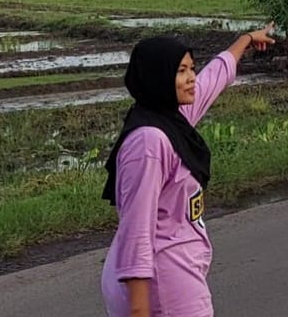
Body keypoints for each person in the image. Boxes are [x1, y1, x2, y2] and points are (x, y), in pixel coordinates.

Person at [101, 25, 277, 317]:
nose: (192, 78)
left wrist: (245, 41)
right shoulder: (150, 142)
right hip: (164, 283)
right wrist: (139, 309)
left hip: (175, 271)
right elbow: (136, 231)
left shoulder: (170, 120)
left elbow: (212, 80)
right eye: (181, 71)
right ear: (158, 76)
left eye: (192, 68)